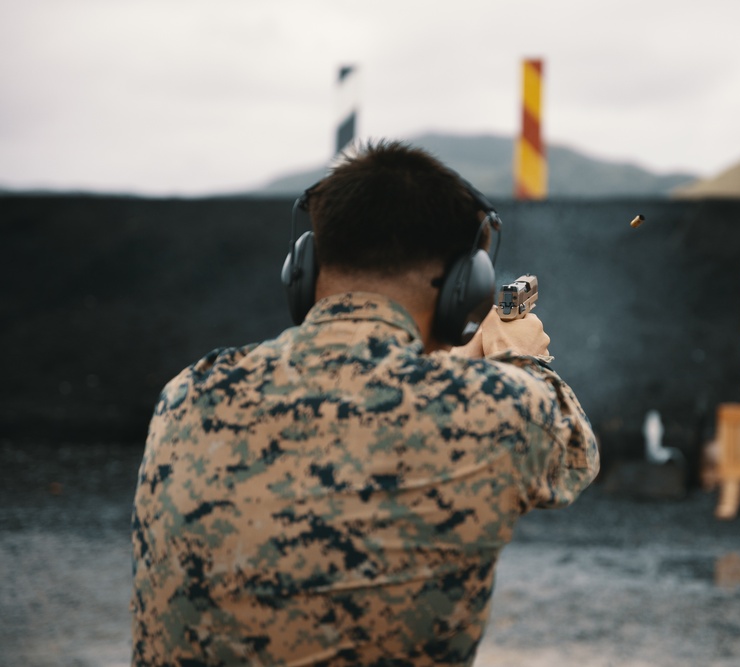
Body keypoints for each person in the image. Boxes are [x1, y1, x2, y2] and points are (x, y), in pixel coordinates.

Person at [130, 140, 600, 666]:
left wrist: (457, 364)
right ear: (464, 290)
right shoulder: (500, 410)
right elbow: (574, 457)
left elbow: (354, 396)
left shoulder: (189, 393)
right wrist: (519, 358)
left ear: (303, 270)